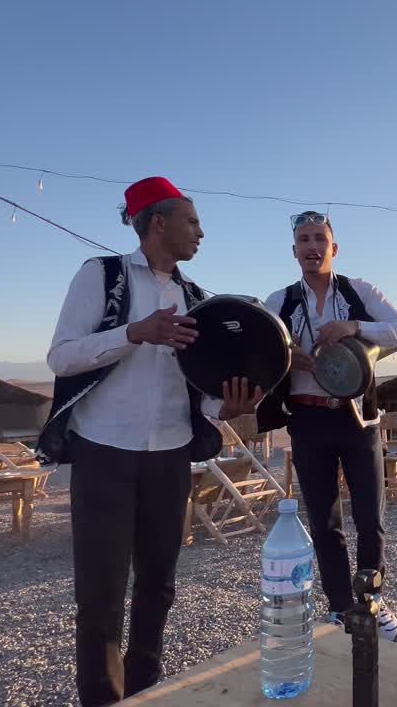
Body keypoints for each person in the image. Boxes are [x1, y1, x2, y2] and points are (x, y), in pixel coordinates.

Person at [44, 177, 262, 706]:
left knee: (159, 587)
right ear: (158, 222)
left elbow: (201, 391)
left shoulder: (199, 301)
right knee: (100, 595)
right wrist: (135, 333)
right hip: (103, 454)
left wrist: (227, 407)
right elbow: (62, 357)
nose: (201, 233)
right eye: (192, 221)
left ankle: (145, 694)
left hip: (170, 456)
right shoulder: (103, 276)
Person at [257, 210, 397, 640]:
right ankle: (342, 608)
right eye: (303, 240)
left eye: (319, 239)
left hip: (356, 416)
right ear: (294, 251)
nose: (312, 247)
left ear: (334, 247)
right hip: (307, 416)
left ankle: (372, 602)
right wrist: (288, 360)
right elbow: (262, 353)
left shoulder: (359, 291)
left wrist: (353, 326)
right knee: (324, 521)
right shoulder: (280, 301)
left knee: (370, 516)